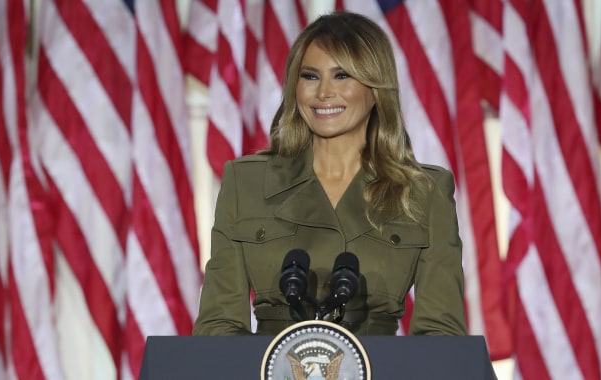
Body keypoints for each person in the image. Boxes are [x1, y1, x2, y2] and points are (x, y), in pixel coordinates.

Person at [193, 11, 466, 336]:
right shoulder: (246, 182)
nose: (323, 93)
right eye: (310, 76)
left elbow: (441, 336)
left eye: (342, 76)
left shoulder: (424, 191)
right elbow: (218, 327)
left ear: (376, 87)